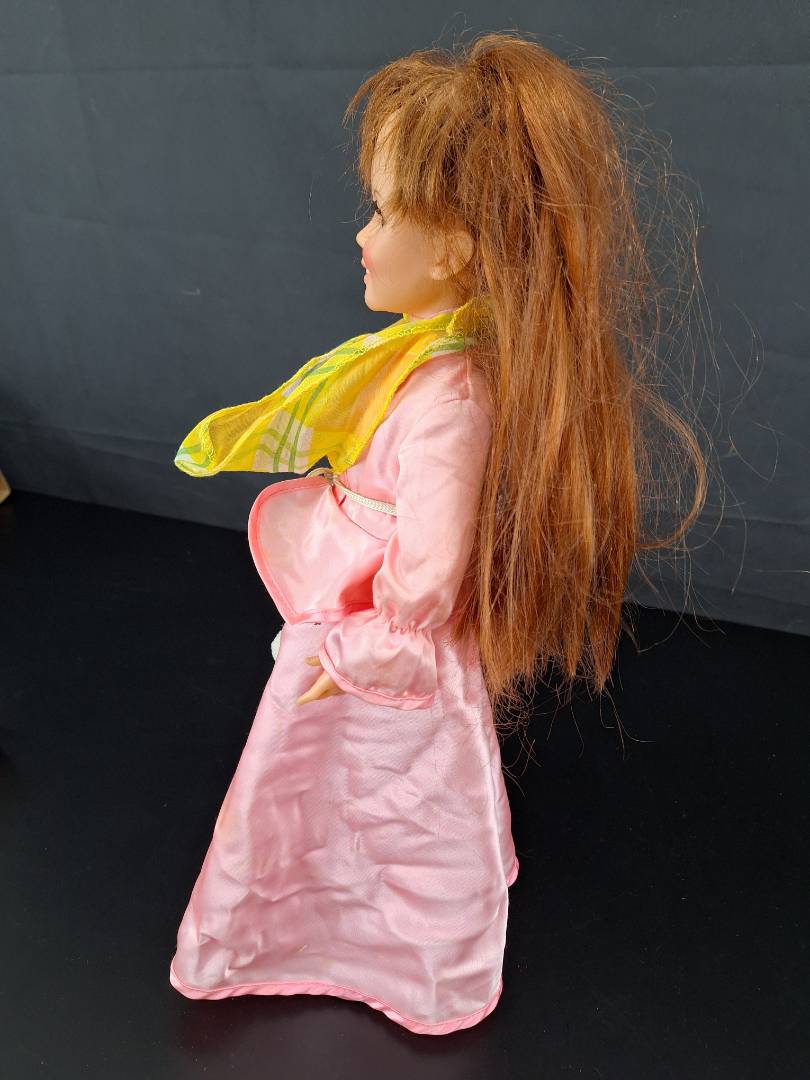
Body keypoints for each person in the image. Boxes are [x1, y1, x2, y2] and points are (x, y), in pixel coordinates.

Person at [168, 32, 708, 1035]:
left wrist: (362, 650)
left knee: (388, 786)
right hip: (358, 618)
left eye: (383, 213)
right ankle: (333, 897)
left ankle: (375, 935)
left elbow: (429, 567)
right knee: (360, 782)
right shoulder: (424, 365)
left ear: (455, 247)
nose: (362, 235)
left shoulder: (449, 398)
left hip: (379, 640)